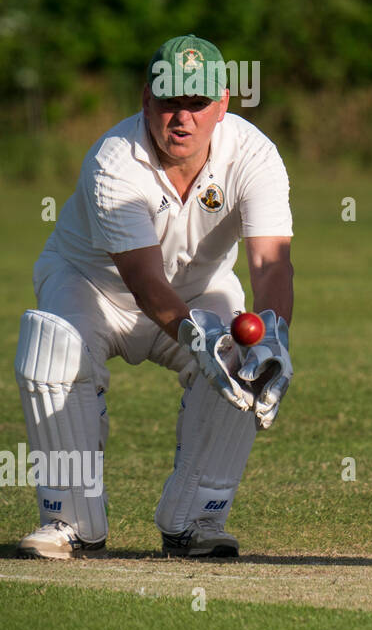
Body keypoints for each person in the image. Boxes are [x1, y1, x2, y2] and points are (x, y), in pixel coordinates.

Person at [13, 34, 294, 559]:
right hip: (92, 285)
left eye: (197, 104)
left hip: (198, 289)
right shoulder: (113, 160)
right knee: (52, 348)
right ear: (146, 99)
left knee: (243, 357)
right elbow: (144, 282)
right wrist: (199, 337)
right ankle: (70, 521)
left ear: (223, 104)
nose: (182, 118)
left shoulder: (255, 155)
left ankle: (196, 521)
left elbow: (271, 263)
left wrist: (273, 339)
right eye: (170, 103)